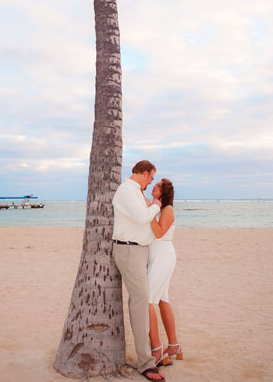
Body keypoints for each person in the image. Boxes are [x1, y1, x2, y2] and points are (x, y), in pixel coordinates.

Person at [112, 160, 165, 382]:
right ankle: (145, 362)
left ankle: (149, 356)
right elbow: (143, 217)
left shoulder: (135, 191)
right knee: (140, 301)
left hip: (139, 250)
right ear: (144, 173)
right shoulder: (127, 190)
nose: (151, 181)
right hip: (129, 250)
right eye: (151, 177)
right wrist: (156, 204)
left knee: (142, 301)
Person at [147, 179, 183, 367]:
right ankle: (174, 345)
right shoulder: (159, 208)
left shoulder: (167, 210)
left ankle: (158, 348)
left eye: (158, 186)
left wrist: (150, 212)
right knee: (162, 299)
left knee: (147, 300)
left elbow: (159, 233)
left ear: (164, 192)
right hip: (156, 256)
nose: (154, 186)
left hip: (163, 256)